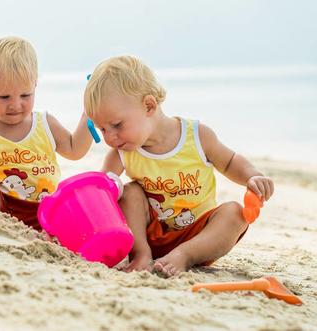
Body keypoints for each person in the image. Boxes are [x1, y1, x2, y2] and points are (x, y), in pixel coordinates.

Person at [84, 55, 274, 276]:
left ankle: (184, 255)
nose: (110, 138)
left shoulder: (197, 136)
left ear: (149, 106)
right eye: (102, 130)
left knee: (236, 213)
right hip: (150, 235)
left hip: (200, 236)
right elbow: (100, 196)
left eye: (116, 125)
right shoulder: (121, 154)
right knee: (129, 192)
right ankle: (141, 254)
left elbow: (230, 161)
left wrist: (251, 176)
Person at [0, 36, 92, 230]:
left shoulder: (45, 123)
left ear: (35, 86)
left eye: (25, 95)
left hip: (42, 206)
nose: (15, 105)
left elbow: (75, 150)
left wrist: (89, 114)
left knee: (70, 200)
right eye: (4, 97)